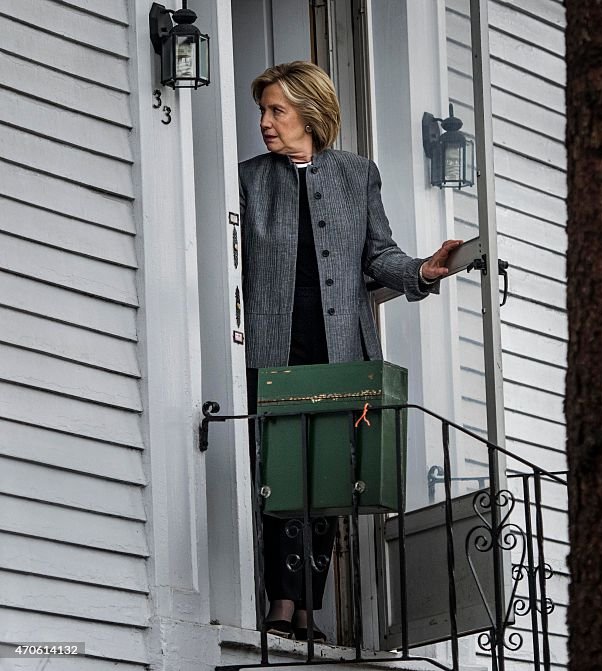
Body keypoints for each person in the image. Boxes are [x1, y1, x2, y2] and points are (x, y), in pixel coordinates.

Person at [239, 61, 461, 642]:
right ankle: (281, 606)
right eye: (262, 110)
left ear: (310, 114)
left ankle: (309, 610)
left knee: (328, 478)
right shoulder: (247, 180)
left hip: (341, 345)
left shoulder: (357, 175)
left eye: (276, 110)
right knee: (279, 474)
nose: (265, 122)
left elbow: (378, 255)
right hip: (274, 344)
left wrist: (421, 271)